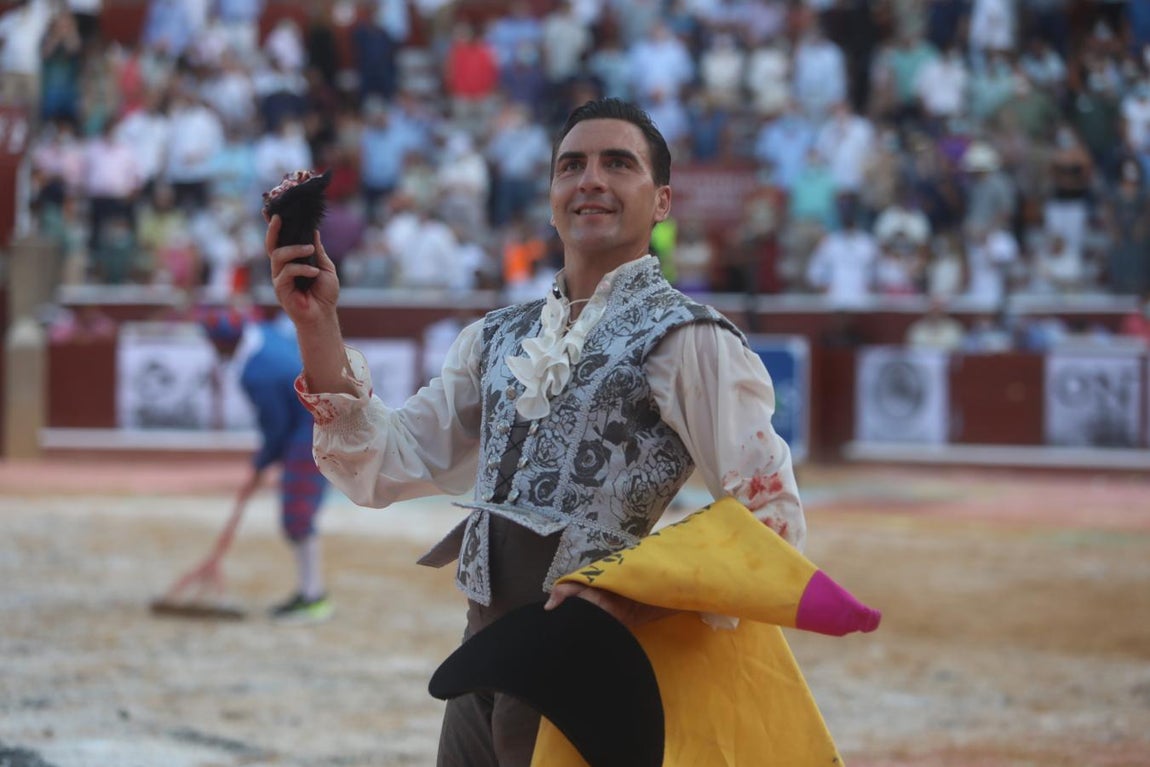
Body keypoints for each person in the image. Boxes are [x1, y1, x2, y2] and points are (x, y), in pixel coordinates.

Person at [264, 98, 804, 766]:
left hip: (589, 663)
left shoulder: (692, 340)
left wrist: (635, 600)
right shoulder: (497, 337)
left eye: (618, 164)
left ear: (661, 200)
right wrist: (317, 324)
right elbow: (387, 459)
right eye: (571, 166)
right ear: (551, 198)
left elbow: (769, 519)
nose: (591, 180)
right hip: (481, 656)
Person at [194, 307, 332, 622]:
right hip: (316, 424)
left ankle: (313, 596)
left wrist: (262, 461)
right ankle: (310, 592)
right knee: (298, 516)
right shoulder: (265, 336)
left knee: (297, 516)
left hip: (311, 431)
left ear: (223, 343)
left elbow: (276, 428)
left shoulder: (257, 374)